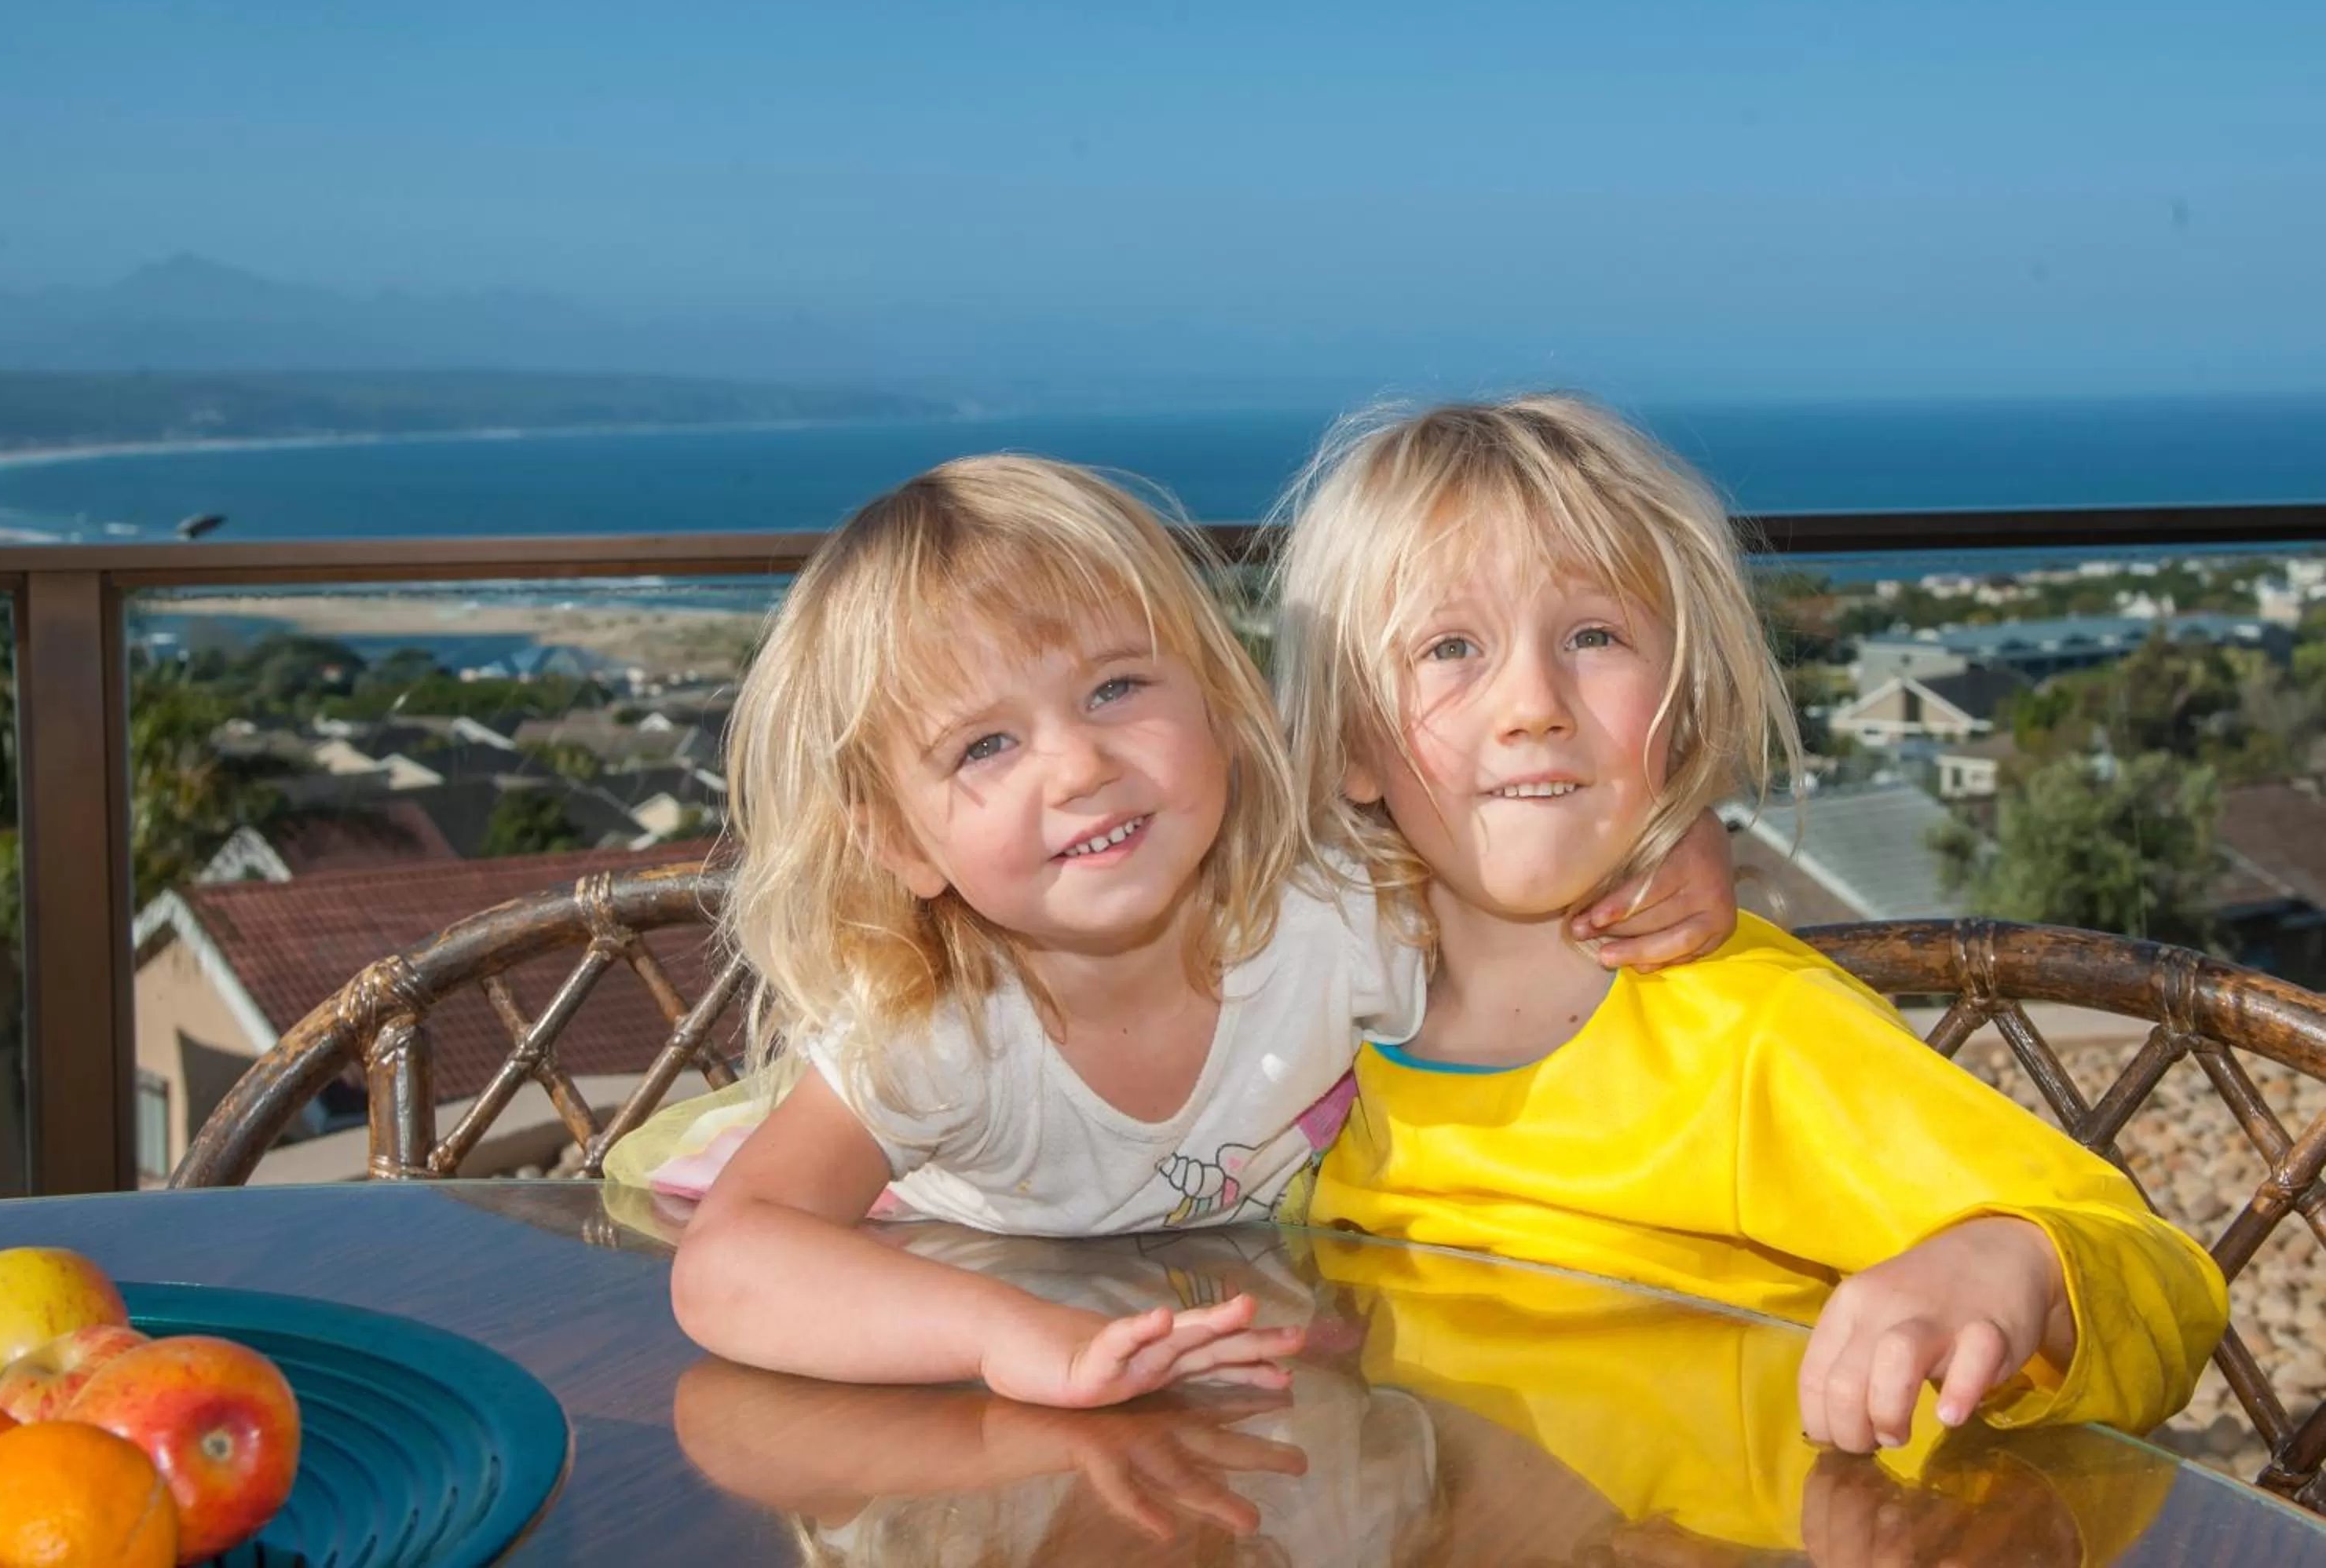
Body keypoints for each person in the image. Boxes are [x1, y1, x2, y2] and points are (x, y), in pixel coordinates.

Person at [634, 453, 1739, 1405]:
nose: (1080, 766)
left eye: (1116, 688)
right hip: (959, 1356)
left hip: (1274, 1375)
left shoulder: (1336, 911)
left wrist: (1664, 843)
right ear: (903, 847)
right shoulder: (939, 1033)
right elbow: (731, 1259)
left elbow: (1525, 880)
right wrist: (1007, 1334)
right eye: (983, 748)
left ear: (1217, 701)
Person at [1272, 393, 2229, 1453]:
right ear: (1351, 742)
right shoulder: (1310, 1026)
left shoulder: (1753, 1039)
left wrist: (2010, 1265)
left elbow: (2162, 1283)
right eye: (1449, 648)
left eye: (1594, 635)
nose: (1532, 701)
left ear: (1679, 720)